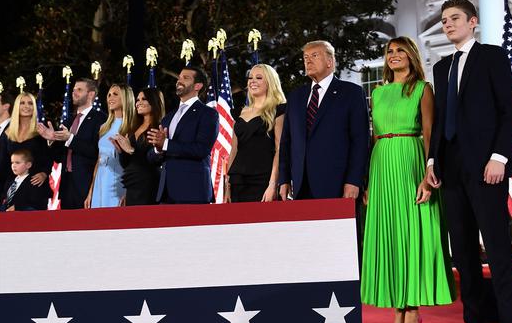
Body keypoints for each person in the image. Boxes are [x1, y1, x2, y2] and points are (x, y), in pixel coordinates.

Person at [425, 0, 512, 323]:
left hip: (488, 171)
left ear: (473, 22)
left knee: (498, 254)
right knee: (464, 257)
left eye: (454, 18)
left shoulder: (493, 57)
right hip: (450, 173)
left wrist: (500, 157)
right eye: (444, 19)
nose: (447, 24)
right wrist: (433, 159)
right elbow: (438, 121)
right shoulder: (441, 67)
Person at [360, 37, 455, 323]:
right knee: (390, 237)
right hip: (382, 165)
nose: (394, 56)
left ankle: (412, 310)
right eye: (389, 52)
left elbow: (430, 134)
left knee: (410, 236)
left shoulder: (422, 90)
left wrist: (428, 177)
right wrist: (369, 182)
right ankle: (397, 310)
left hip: (411, 163)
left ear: (412, 56)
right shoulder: (377, 92)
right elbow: (374, 139)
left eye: (400, 51)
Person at [278, 40, 369, 200]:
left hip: (338, 185)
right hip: (300, 185)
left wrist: (354, 180)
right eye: (305, 57)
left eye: (314, 55)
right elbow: (286, 141)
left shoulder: (351, 93)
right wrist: (284, 179)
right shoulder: (295, 97)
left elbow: (360, 141)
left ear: (330, 61)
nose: (308, 60)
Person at [147, 66, 219, 204]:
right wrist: (157, 149)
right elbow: (152, 159)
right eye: (179, 77)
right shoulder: (168, 117)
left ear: (197, 86)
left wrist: (166, 144)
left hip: (193, 191)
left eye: (185, 78)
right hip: (166, 192)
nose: (179, 81)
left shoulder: (208, 114)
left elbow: (201, 150)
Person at [37, 78, 106, 210]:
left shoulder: (100, 119)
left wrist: (71, 139)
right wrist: (52, 140)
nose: (74, 93)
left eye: (79, 90)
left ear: (91, 94)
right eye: (74, 90)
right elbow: (58, 157)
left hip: (87, 185)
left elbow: (96, 152)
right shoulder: (69, 120)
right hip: (67, 185)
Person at [225, 64, 287, 202]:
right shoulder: (239, 112)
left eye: (259, 77)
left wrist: (273, 184)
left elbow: (280, 150)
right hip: (238, 181)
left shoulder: (279, 110)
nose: (252, 81)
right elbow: (234, 150)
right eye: (250, 78)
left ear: (270, 82)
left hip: (264, 180)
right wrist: (227, 185)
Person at [111, 87, 165, 206]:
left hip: (149, 183)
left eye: (143, 99)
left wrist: (131, 150)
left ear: (154, 101)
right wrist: (121, 151)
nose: (138, 102)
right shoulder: (132, 129)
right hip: (132, 183)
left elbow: (155, 160)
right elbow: (127, 164)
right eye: (137, 99)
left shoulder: (159, 128)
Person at [84, 84, 134, 208]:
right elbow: (99, 160)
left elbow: (132, 164)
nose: (110, 98)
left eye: (115, 94)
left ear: (125, 98)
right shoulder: (104, 127)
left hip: (118, 183)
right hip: (100, 182)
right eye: (109, 95)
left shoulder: (131, 127)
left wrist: (129, 192)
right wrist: (91, 191)